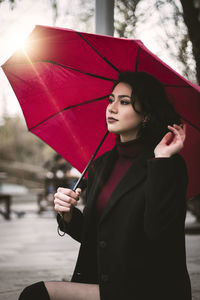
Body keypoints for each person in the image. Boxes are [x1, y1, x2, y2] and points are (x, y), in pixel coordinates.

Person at [18, 71, 192, 300]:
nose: (112, 108)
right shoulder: (100, 165)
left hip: (147, 288)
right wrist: (69, 215)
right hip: (106, 282)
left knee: (36, 294)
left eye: (125, 102)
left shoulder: (167, 165)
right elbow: (99, 237)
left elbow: (160, 234)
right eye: (111, 100)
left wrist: (161, 162)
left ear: (147, 114)